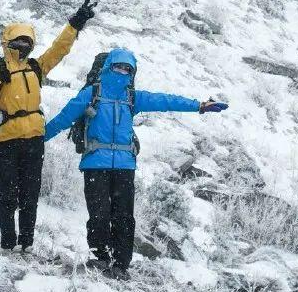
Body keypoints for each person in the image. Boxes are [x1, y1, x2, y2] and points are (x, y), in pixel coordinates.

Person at [43, 47, 227, 278]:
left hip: (124, 166)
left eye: (127, 68)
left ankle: (121, 265)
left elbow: (166, 101)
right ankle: (100, 258)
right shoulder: (91, 94)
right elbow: (63, 119)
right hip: (94, 163)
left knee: (124, 216)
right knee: (99, 214)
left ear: (133, 72)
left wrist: (198, 105)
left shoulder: (132, 98)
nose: (122, 71)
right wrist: (38, 138)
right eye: (119, 66)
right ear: (109, 67)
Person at [0, 0, 97, 253]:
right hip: (5, 141)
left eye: (27, 41)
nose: (23, 45)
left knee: (29, 195)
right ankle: (7, 242)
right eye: (19, 41)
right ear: (8, 42)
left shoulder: (36, 67)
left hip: (33, 140)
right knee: (8, 196)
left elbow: (58, 50)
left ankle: (26, 243)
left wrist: (75, 24)